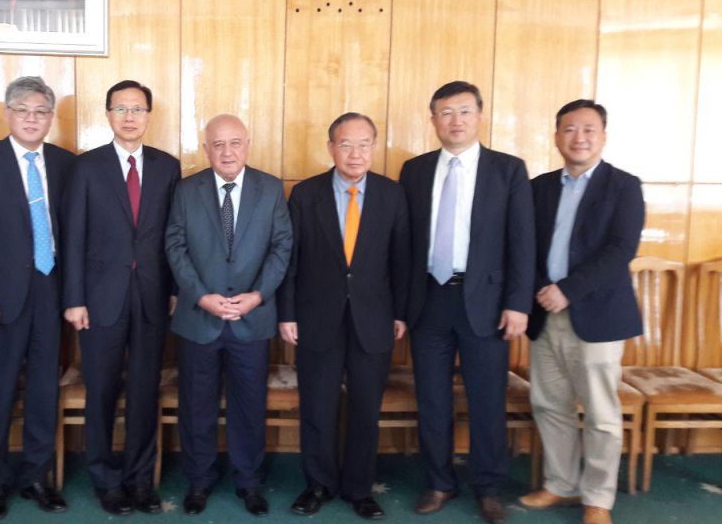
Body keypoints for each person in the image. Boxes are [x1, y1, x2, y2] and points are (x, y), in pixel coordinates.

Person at [398, 81, 535, 523]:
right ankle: (439, 482)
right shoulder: (415, 170)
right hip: (428, 299)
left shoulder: (507, 170)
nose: (455, 121)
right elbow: (404, 244)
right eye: (445, 112)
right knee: (432, 398)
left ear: (479, 116)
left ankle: (488, 487)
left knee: (487, 399)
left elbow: (522, 243)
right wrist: (401, 306)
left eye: (463, 111)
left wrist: (518, 303)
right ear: (433, 120)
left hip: (487, 303)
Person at [278, 113, 410, 520]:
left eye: (364, 144)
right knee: (317, 406)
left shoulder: (391, 195)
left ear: (374, 147)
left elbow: (401, 260)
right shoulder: (306, 194)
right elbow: (290, 261)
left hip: (374, 318)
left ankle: (359, 489)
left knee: (366, 409)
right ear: (331, 148)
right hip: (317, 317)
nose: (355, 153)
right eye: (346, 144)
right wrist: (287, 314)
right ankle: (318, 484)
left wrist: (401, 313)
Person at [518, 100, 644, 524]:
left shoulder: (623, 186)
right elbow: (525, 246)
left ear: (603, 136)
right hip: (544, 313)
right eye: (570, 129)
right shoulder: (539, 187)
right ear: (556, 136)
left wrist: (567, 291)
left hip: (598, 316)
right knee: (549, 404)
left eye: (589, 129)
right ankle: (561, 484)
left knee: (601, 414)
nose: (579, 137)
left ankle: (598, 498)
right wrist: (542, 289)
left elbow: (621, 249)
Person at [61, 80, 181, 516]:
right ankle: (105, 479)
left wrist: (174, 290)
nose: (130, 117)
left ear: (149, 115)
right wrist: (74, 299)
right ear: (108, 114)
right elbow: (73, 237)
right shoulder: (87, 167)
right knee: (102, 393)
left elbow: (175, 235)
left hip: (152, 297)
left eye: (138, 109)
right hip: (99, 300)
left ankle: (140, 480)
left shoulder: (168, 167)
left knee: (145, 392)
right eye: (121, 109)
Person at [164, 114, 293, 517]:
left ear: (247, 144)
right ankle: (199, 481)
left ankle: (248, 482)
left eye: (235, 142)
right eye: (218, 144)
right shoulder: (187, 190)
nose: (227, 152)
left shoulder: (270, 188)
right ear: (206, 149)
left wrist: (258, 295)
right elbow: (175, 246)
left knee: (249, 405)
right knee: (196, 405)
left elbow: (282, 247)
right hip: (199, 318)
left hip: (251, 318)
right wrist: (201, 296)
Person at [0, 75, 75, 520]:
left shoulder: (65, 163)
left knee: (45, 388)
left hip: (51, 289)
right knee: (1, 388)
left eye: (41, 111)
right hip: (1, 296)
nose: (32, 119)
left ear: (51, 117)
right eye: (23, 110)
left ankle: (35, 476)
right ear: (7, 114)